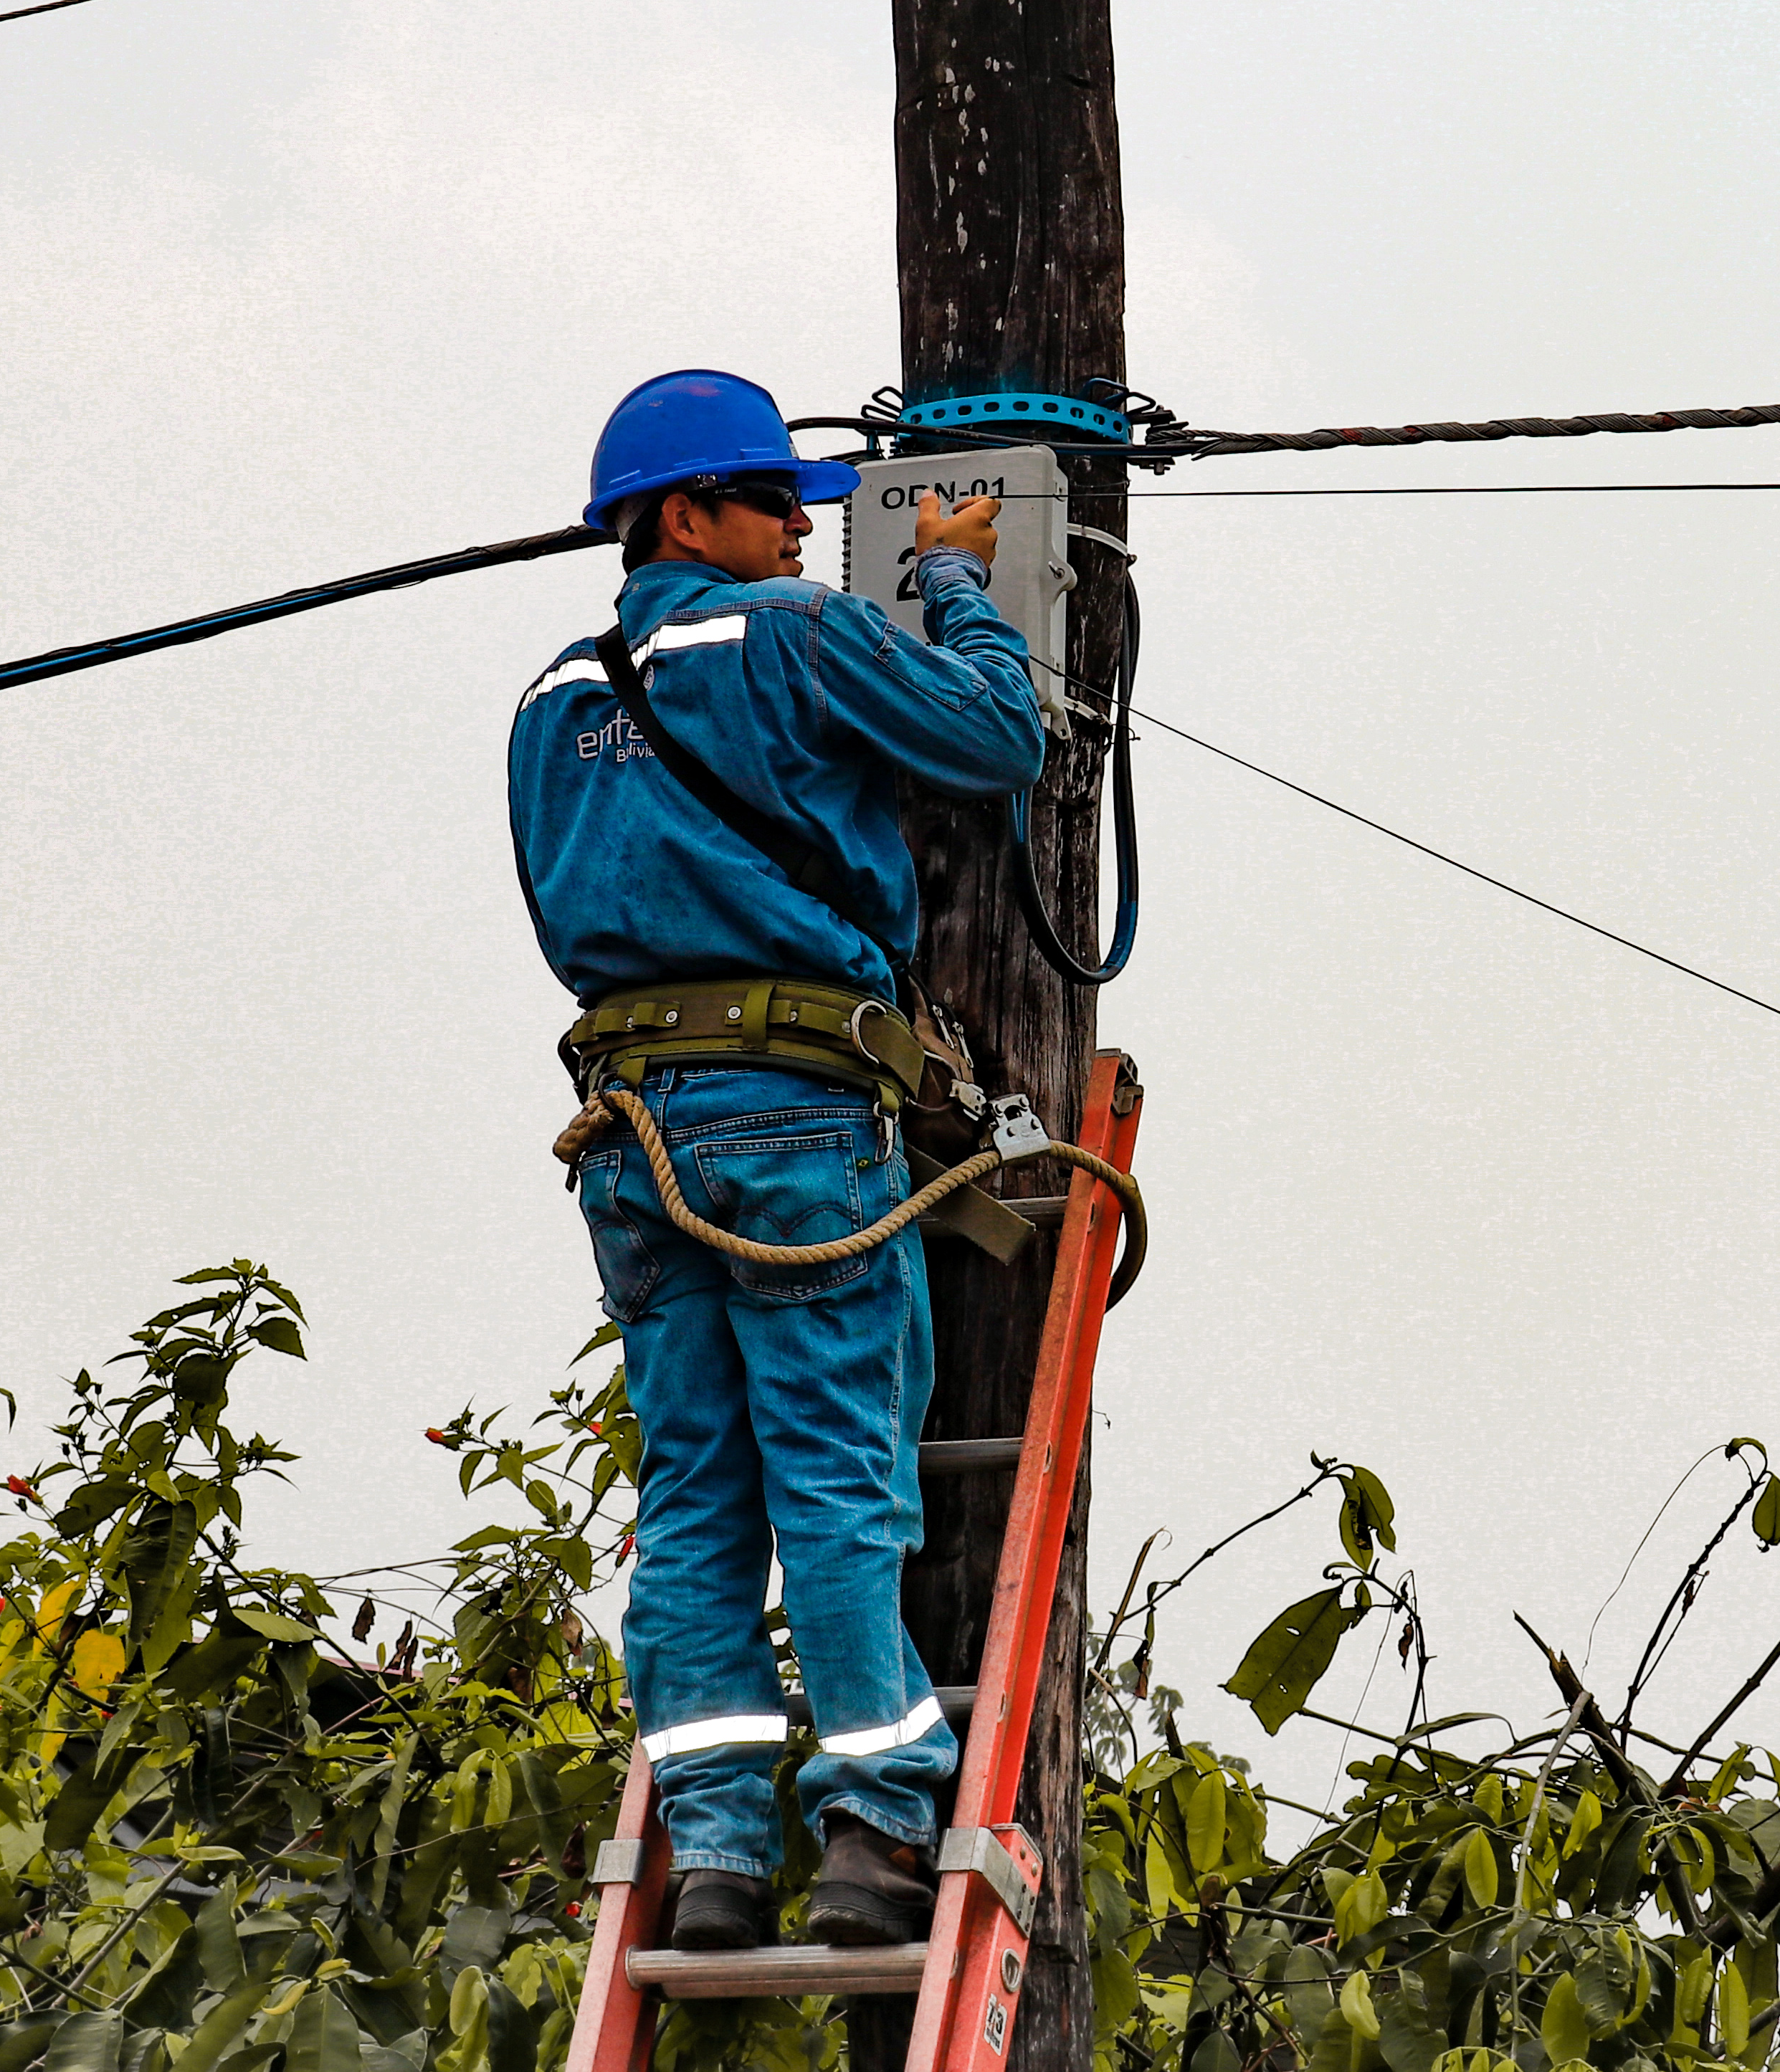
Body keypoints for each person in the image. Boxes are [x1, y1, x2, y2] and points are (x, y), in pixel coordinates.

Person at [508, 369, 1045, 1952]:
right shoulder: (793, 636)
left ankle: (719, 1858)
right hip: (798, 1111)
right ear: (686, 515)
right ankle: (877, 1829)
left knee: (694, 1495)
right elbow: (997, 735)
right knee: (838, 1475)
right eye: (773, 506)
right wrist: (954, 580)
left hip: (633, 1137)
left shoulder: (546, 701)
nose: (802, 535)